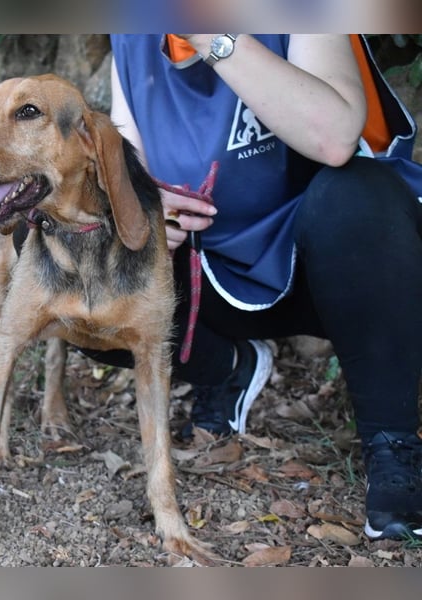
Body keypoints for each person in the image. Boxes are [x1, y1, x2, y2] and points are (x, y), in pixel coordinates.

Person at [106, 34, 422, 541]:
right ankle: (228, 368)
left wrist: (212, 34)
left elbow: (335, 137)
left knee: (355, 194)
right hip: (213, 267)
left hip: (344, 266)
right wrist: (145, 205)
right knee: (94, 252)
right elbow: (128, 146)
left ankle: (393, 445)